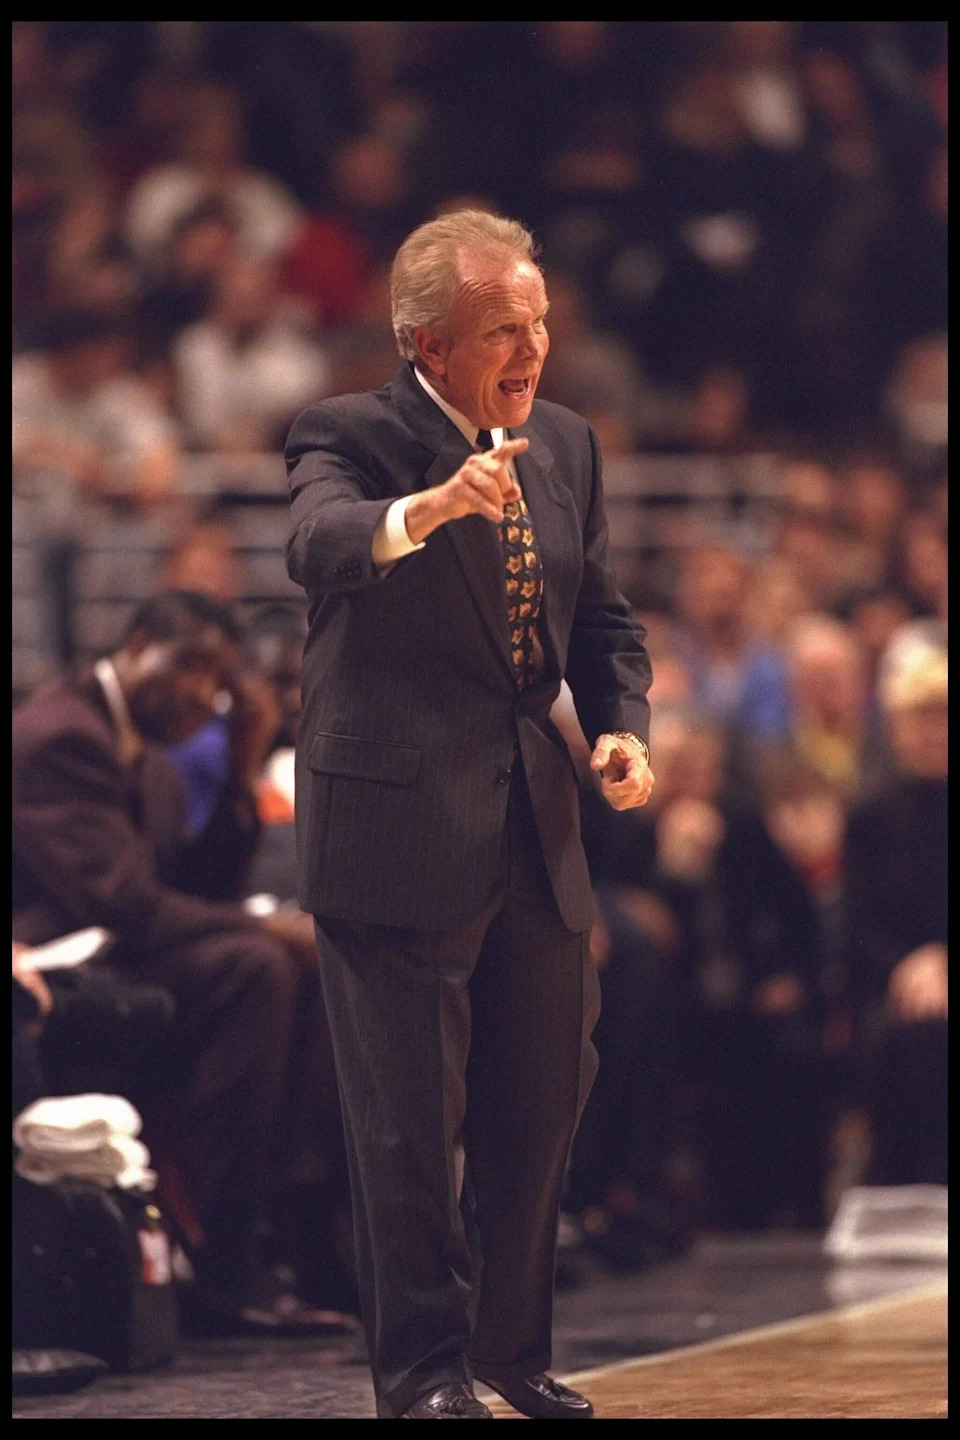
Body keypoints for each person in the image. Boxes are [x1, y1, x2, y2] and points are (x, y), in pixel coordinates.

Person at [284, 208, 655, 1419]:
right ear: (426, 342)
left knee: (538, 1109)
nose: (533, 348)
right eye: (505, 328)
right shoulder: (348, 434)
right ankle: (426, 1376)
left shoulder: (566, 445)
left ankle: (510, 1357)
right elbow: (316, 543)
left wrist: (619, 727)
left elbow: (603, 622)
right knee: (406, 1135)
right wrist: (428, 511)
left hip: (534, 827)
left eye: (540, 322)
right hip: (393, 829)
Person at [11, 589, 354, 1337]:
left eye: (219, 679)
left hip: (122, 960)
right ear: (135, 645)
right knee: (258, 967)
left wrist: (240, 771)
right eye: (190, 665)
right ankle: (228, 1255)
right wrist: (270, 925)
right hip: (49, 970)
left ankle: (308, 1234)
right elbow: (124, 905)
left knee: (304, 966)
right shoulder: (60, 734)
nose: (205, 692)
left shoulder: (154, 760)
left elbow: (191, 893)